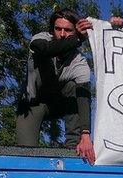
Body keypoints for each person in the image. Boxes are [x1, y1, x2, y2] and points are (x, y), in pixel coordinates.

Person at [16, 8, 96, 162]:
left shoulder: (79, 63)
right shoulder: (40, 40)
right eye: (58, 29)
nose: (62, 34)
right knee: (26, 156)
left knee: (74, 88)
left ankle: (73, 146)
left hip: (59, 104)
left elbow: (84, 100)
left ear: (75, 31)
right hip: (32, 105)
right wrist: (77, 39)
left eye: (68, 30)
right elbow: (46, 50)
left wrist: (86, 135)